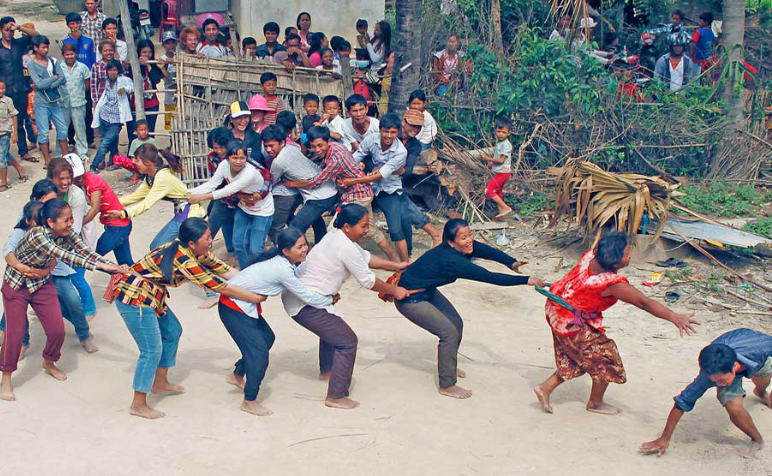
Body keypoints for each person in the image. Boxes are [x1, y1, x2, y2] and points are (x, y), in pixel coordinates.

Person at [112, 217, 267, 419]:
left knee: (173, 332)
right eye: (207, 237)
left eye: (210, 235)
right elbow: (220, 287)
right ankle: (138, 404)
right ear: (192, 242)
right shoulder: (184, 260)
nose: (211, 241)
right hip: (134, 298)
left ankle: (160, 383)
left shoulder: (191, 249)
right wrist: (255, 296)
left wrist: (254, 282)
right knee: (151, 350)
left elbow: (224, 269)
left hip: (151, 296)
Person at [533, 232, 698, 416]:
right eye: (628, 254)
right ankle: (595, 403)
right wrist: (674, 317)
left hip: (557, 312)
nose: (631, 256)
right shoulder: (611, 284)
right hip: (572, 323)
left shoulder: (591, 256)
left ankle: (544, 388)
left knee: (578, 356)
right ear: (616, 264)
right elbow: (644, 303)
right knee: (605, 360)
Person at [395, 218, 543, 398]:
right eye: (464, 237)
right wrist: (526, 280)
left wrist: (511, 263)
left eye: (470, 234)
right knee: (448, 333)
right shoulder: (452, 260)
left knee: (456, 324)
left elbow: (489, 251)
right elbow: (490, 277)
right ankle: (447, 385)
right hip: (410, 298)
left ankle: (448, 366)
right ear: (450, 242)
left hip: (427, 291)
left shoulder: (464, 246)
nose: (470, 240)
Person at [283, 204, 408, 409]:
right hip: (305, 302)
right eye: (364, 226)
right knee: (347, 341)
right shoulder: (345, 245)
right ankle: (336, 396)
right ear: (348, 226)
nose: (367, 230)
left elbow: (365, 258)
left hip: (310, 297)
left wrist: (396, 266)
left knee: (332, 329)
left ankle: (327, 371)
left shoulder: (337, 235)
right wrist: (394, 290)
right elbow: (367, 281)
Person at [1, 198, 125, 401]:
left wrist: (110, 264)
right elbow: (65, 255)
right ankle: (6, 379)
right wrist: (103, 267)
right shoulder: (37, 235)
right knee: (14, 334)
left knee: (57, 330)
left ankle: (49, 363)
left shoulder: (66, 233)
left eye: (71, 219)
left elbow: (84, 251)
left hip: (41, 283)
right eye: (66, 220)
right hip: (17, 285)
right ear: (50, 222)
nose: (70, 223)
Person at [220, 228, 335, 416]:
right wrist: (329, 299)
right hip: (233, 308)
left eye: (305, 244)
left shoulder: (284, 263)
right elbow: (306, 295)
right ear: (286, 251)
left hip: (242, 306)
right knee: (259, 354)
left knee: (267, 337)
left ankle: (237, 374)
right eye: (299, 247)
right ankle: (249, 401)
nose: (305, 249)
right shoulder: (283, 269)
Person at [640, 329, 772, 458]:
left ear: (735, 366)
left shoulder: (761, 347)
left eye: (720, 380)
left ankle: (760, 392)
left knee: (764, 375)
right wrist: (664, 438)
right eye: (715, 381)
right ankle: (757, 440)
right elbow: (681, 402)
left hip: (757, 359)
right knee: (734, 408)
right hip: (735, 361)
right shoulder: (707, 377)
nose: (718, 385)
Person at [293, 126, 398, 261]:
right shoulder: (336, 147)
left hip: (357, 194)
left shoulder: (335, 159)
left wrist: (292, 183)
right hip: (363, 191)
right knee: (370, 229)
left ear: (328, 142)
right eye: (313, 147)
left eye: (320, 146)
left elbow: (316, 181)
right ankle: (394, 260)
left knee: (334, 230)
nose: (317, 150)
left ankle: (327, 262)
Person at [189, 139, 274, 269]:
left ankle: (259, 275)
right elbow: (212, 184)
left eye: (242, 158)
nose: (238, 162)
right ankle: (247, 273)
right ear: (228, 157)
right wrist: (187, 192)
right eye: (234, 158)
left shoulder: (249, 172)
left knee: (256, 249)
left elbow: (228, 190)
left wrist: (200, 197)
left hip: (263, 211)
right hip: (244, 208)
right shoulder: (224, 165)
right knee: (238, 244)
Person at [108, 143, 205, 249]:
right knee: (156, 247)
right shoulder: (151, 177)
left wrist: (123, 213)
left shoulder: (162, 178)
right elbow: (136, 196)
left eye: (137, 159)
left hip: (191, 217)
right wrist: (108, 202)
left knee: (167, 250)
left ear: (148, 163)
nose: (133, 162)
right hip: (180, 217)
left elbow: (146, 204)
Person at [342, 114, 411, 263]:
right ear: (380, 130)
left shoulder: (401, 151)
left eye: (393, 132)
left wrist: (352, 180)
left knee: (395, 230)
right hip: (369, 187)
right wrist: (346, 170)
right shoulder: (371, 139)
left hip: (389, 189)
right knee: (351, 219)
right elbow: (357, 156)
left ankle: (405, 265)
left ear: (398, 132)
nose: (388, 136)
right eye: (386, 131)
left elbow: (380, 175)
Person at [264, 124, 338, 242]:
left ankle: (299, 257)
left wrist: (291, 184)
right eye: (265, 145)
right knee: (315, 221)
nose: (268, 149)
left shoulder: (278, 162)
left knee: (296, 227)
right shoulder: (291, 148)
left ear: (282, 143)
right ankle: (321, 248)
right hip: (329, 189)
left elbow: (270, 182)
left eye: (271, 146)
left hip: (320, 196)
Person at [48, 156, 98, 318]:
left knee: (76, 276)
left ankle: (89, 308)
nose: (65, 182)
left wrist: (53, 248)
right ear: (51, 178)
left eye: (68, 178)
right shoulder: (47, 191)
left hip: (76, 241)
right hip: (54, 239)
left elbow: (74, 229)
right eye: (61, 178)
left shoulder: (76, 195)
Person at [74, 157, 133, 265]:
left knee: (92, 258)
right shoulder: (85, 182)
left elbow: (95, 208)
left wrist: (78, 225)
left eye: (79, 174)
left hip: (117, 227)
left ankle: (119, 276)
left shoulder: (93, 181)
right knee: (126, 264)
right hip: (118, 225)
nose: (78, 178)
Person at [398, 110, 443, 247]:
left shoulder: (415, 145)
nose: (415, 129)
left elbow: (408, 169)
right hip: (373, 176)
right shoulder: (392, 135)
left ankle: (435, 234)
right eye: (413, 125)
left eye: (418, 127)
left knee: (401, 202)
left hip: (392, 179)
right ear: (404, 122)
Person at [27, 35, 69, 169]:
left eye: (47, 47)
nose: (46, 50)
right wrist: (53, 79)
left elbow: (62, 78)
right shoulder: (32, 65)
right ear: (36, 48)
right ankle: (47, 160)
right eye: (43, 47)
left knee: (62, 129)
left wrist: (49, 83)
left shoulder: (53, 61)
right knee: (43, 132)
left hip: (55, 100)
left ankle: (65, 157)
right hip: (41, 102)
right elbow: (38, 84)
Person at [0, 17, 38, 163]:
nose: (9, 33)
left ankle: (23, 152)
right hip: (4, 90)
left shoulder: (18, 44)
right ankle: (5, 155)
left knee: (21, 120)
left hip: (21, 87)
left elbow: (36, 35)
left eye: (11, 30)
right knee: (3, 123)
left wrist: (19, 27)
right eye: (6, 30)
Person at [90, 59, 132, 172]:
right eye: (110, 70)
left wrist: (125, 89)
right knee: (112, 142)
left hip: (116, 119)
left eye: (115, 70)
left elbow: (131, 86)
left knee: (104, 143)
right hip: (104, 116)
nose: (112, 72)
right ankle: (114, 161)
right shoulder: (107, 82)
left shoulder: (123, 80)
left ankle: (93, 166)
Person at [62, 12, 96, 150]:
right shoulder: (65, 42)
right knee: (69, 115)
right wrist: (75, 40)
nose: (75, 26)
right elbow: (68, 55)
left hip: (85, 80)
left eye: (77, 23)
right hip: (71, 82)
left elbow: (92, 60)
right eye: (72, 24)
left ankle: (89, 139)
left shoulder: (88, 41)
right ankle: (71, 141)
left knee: (87, 112)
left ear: (81, 24)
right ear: (68, 25)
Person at [203, 126, 237, 256]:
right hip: (222, 196)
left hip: (239, 197)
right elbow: (214, 183)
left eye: (221, 147)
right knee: (214, 224)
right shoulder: (212, 158)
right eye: (215, 148)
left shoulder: (237, 156)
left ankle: (233, 252)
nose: (218, 151)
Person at [126, 39, 163, 142]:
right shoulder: (133, 65)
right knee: (133, 132)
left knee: (149, 132)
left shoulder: (154, 64)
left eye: (149, 52)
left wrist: (148, 65)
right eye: (144, 52)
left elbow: (156, 79)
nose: (147, 55)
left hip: (152, 104)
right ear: (139, 52)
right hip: (134, 103)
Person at [60, 42, 91, 160]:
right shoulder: (58, 67)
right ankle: (61, 152)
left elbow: (87, 85)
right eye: (67, 54)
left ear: (75, 54)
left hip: (79, 103)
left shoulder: (82, 67)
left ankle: (83, 152)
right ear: (63, 55)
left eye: (72, 54)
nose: (69, 57)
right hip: (63, 104)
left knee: (80, 129)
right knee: (62, 129)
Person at [481, 115, 514, 219]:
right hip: (501, 172)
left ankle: (506, 208)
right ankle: (501, 217)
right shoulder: (500, 142)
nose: (501, 134)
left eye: (504, 132)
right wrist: (491, 164)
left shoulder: (506, 144)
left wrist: (488, 159)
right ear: (495, 130)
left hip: (503, 173)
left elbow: (501, 160)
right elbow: (498, 157)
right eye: (499, 132)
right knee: (498, 194)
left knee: (488, 191)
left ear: (509, 133)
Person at [0, 79, 27, 190]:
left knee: (1, 157)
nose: (1, 90)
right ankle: (19, 168)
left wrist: (15, 133)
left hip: (5, 132)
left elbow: (14, 116)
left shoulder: (8, 101)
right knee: (5, 155)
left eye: (3, 88)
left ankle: (4, 182)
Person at [159, 31, 177, 131]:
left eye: (172, 42)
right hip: (169, 96)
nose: (170, 45)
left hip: (181, 95)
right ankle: (172, 143)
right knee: (170, 122)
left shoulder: (181, 57)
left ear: (176, 43)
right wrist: (164, 66)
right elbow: (164, 77)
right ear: (163, 45)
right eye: (167, 43)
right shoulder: (162, 59)